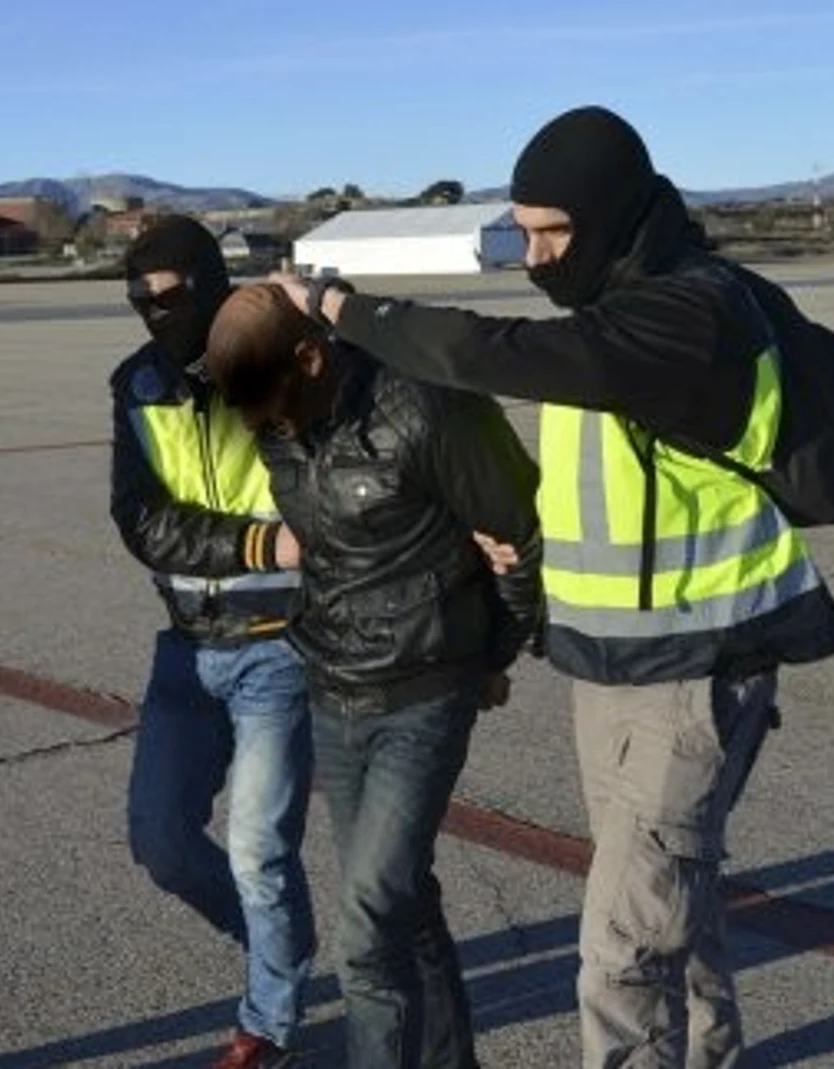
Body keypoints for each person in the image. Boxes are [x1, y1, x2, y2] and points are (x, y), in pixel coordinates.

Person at [267, 105, 834, 1069]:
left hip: (695, 668)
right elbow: (607, 480)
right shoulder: (617, 311)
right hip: (617, 664)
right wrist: (527, 559)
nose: (537, 257)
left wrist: (344, 310)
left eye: (554, 232)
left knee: (621, 957)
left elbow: (507, 356)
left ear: (616, 215)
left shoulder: (687, 310)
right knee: (676, 915)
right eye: (526, 232)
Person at [203, 283, 544, 1069]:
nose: (264, 432)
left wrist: (496, 654)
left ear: (313, 356)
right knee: (404, 904)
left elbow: (519, 535)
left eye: (271, 414)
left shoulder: (426, 409)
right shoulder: (275, 414)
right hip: (334, 685)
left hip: (426, 686)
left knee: (364, 932)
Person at [108, 216, 317, 1068]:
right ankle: (282, 944)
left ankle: (267, 1023)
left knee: (259, 847)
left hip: (283, 644)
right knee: (159, 840)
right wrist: (256, 542)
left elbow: (329, 481)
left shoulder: (276, 358)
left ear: (208, 280)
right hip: (187, 645)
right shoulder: (136, 383)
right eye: (139, 298)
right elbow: (140, 518)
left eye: (171, 293)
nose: (156, 310)